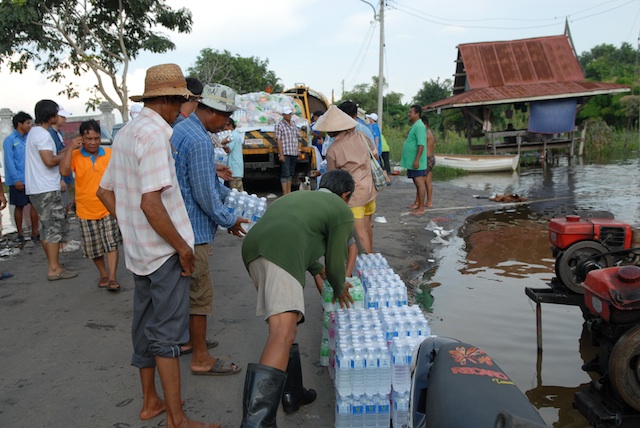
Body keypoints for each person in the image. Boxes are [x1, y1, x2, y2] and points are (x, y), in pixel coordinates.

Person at [96, 63, 220, 428]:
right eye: (183, 101)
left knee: (145, 326)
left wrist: (130, 227)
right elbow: (152, 203)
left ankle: (152, 401)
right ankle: (177, 419)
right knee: (166, 335)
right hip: (163, 253)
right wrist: (183, 248)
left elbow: (105, 191)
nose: (185, 108)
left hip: (139, 252)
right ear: (170, 100)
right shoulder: (155, 137)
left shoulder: (126, 132)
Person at [240, 169, 355, 427]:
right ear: (345, 195)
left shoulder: (295, 197)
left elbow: (295, 230)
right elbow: (336, 261)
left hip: (253, 249)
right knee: (282, 332)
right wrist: (339, 287)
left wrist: (315, 269)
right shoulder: (340, 209)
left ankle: (293, 392)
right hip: (282, 253)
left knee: (285, 329)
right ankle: (256, 422)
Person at [171, 82, 247, 376]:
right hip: (193, 230)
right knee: (200, 296)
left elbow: (203, 181)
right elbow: (203, 192)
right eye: (225, 117)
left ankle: (192, 341)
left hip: (179, 225)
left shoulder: (182, 129)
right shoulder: (200, 140)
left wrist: (229, 196)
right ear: (211, 112)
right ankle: (201, 358)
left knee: (187, 292)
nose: (226, 123)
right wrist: (229, 219)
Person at [59, 119, 122, 290]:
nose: (93, 142)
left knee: (111, 243)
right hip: (85, 209)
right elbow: (64, 172)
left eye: (96, 138)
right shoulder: (75, 155)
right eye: (89, 139)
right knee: (94, 248)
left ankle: (112, 277)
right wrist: (71, 148)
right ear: (81, 139)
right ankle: (102, 273)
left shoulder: (109, 154)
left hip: (108, 207)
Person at [25, 99, 79, 281]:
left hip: (37, 188)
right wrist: (70, 149)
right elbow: (49, 160)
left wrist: (68, 149)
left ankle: (54, 264)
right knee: (54, 227)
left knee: (46, 227)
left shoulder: (35, 132)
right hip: (46, 187)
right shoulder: (43, 135)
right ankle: (54, 268)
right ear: (51, 115)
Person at [320, 105, 378, 254]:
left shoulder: (333, 150)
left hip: (354, 195)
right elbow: (374, 155)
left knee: (359, 233)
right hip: (370, 189)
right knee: (367, 226)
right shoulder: (361, 136)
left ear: (332, 130)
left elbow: (332, 176)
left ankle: (366, 265)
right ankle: (371, 257)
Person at [3, 111, 40, 244]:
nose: (30, 125)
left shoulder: (30, 138)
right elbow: (9, 161)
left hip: (31, 178)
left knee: (34, 204)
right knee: (19, 206)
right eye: (28, 123)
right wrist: (16, 179)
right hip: (17, 179)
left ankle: (35, 231)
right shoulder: (10, 140)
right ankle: (20, 233)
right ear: (20, 124)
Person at [401, 105, 428, 216]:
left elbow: (421, 144)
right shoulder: (415, 125)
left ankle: (421, 208)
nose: (409, 114)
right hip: (412, 161)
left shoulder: (420, 126)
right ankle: (417, 204)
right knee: (416, 183)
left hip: (417, 162)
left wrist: (417, 160)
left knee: (419, 183)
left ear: (417, 114)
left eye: (411, 112)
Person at [275, 106, 300, 195]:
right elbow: (278, 140)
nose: (289, 115)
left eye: (290, 114)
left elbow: (297, 137)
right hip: (285, 152)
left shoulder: (293, 124)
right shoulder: (279, 125)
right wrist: (281, 154)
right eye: (287, 114)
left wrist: (299, 150)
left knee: (291, 173)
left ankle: (289, 192)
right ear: (283, 115)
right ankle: (285, 193)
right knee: (285, 173)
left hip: (293, 152)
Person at [224, 117, 245, 191]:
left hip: (234, 168)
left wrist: (221, 143)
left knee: (235, 192)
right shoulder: (235, 134)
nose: (224, 128)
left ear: (230, 126)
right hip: (235, 168)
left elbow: (228, 150)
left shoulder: (232, 136)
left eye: (225, 126)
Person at [421, 117, 436, 208]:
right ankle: (429, 201)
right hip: (430, 158)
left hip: (427, 159)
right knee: (427, 181)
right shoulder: (429, 133)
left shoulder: (425, 133)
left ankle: (419, 202)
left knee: (421, 181)